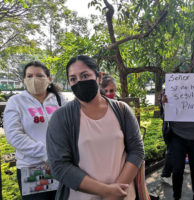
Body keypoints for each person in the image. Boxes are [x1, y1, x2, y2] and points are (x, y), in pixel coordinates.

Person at [46, 55, 144, 200]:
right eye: (73, 79)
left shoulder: (122, 110)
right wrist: (107, 191)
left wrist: (116, 192)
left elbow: (136, 150)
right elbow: (60, 166)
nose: (79, 82)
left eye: (85, 75)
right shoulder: (61, 118)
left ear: (98, 77)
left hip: (122, 195)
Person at [3, 61, 67, 200]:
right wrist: (47, 154)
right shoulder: (16, 102)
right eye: (29, 76)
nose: (34, 79)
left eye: (39, 75)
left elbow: (70, 128)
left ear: (49, 79)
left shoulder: (59, 99)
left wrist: (59, 156)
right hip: (33, 170)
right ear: (25, 79)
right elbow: (14, 135)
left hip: (62, 166)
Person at [162, 95, 194, 200]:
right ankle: (176, 195)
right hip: (178, 136)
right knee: (177, 169)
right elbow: (167, 115)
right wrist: (165, 105)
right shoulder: (176, 86)